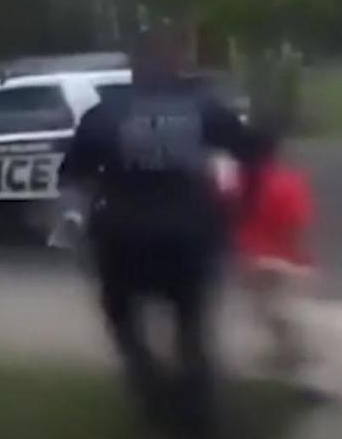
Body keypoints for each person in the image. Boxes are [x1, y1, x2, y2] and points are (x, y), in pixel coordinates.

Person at [59, 27, 258, 438]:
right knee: (192, 329)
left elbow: (73, 177)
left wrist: (77, 225)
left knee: (123, 319)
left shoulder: (105, 112)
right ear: (179, 67)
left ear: (133, 69)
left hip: (122, 236)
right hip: (189, 233)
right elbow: (252, 155)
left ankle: (151, 391)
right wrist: (235, 210)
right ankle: (197, 418)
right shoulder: (205, 106)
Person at [219, 131, 319, 386]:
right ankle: (294, 356)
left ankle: (290, 354)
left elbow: (225, 220)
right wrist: (303, 258)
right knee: (280, 310)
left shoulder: (236, 182)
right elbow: (297, 225)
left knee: (265, 310)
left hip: (250, 258)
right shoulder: (286, 181)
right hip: (282, 260)